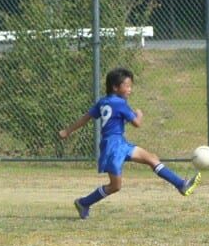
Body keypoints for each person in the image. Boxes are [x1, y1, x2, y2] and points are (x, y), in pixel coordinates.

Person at [59, 67, 200, 219]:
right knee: (115, 186)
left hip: (118, 143)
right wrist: (139, 114)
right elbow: (137, 123)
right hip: (114, 146)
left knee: (151, 158)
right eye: (127, 86)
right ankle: (84, 202)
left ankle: (181, 184)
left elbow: (85, 117)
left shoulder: (103, 102)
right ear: (115, 87)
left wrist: (67, 131)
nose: (130, 89)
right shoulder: (120, 103)